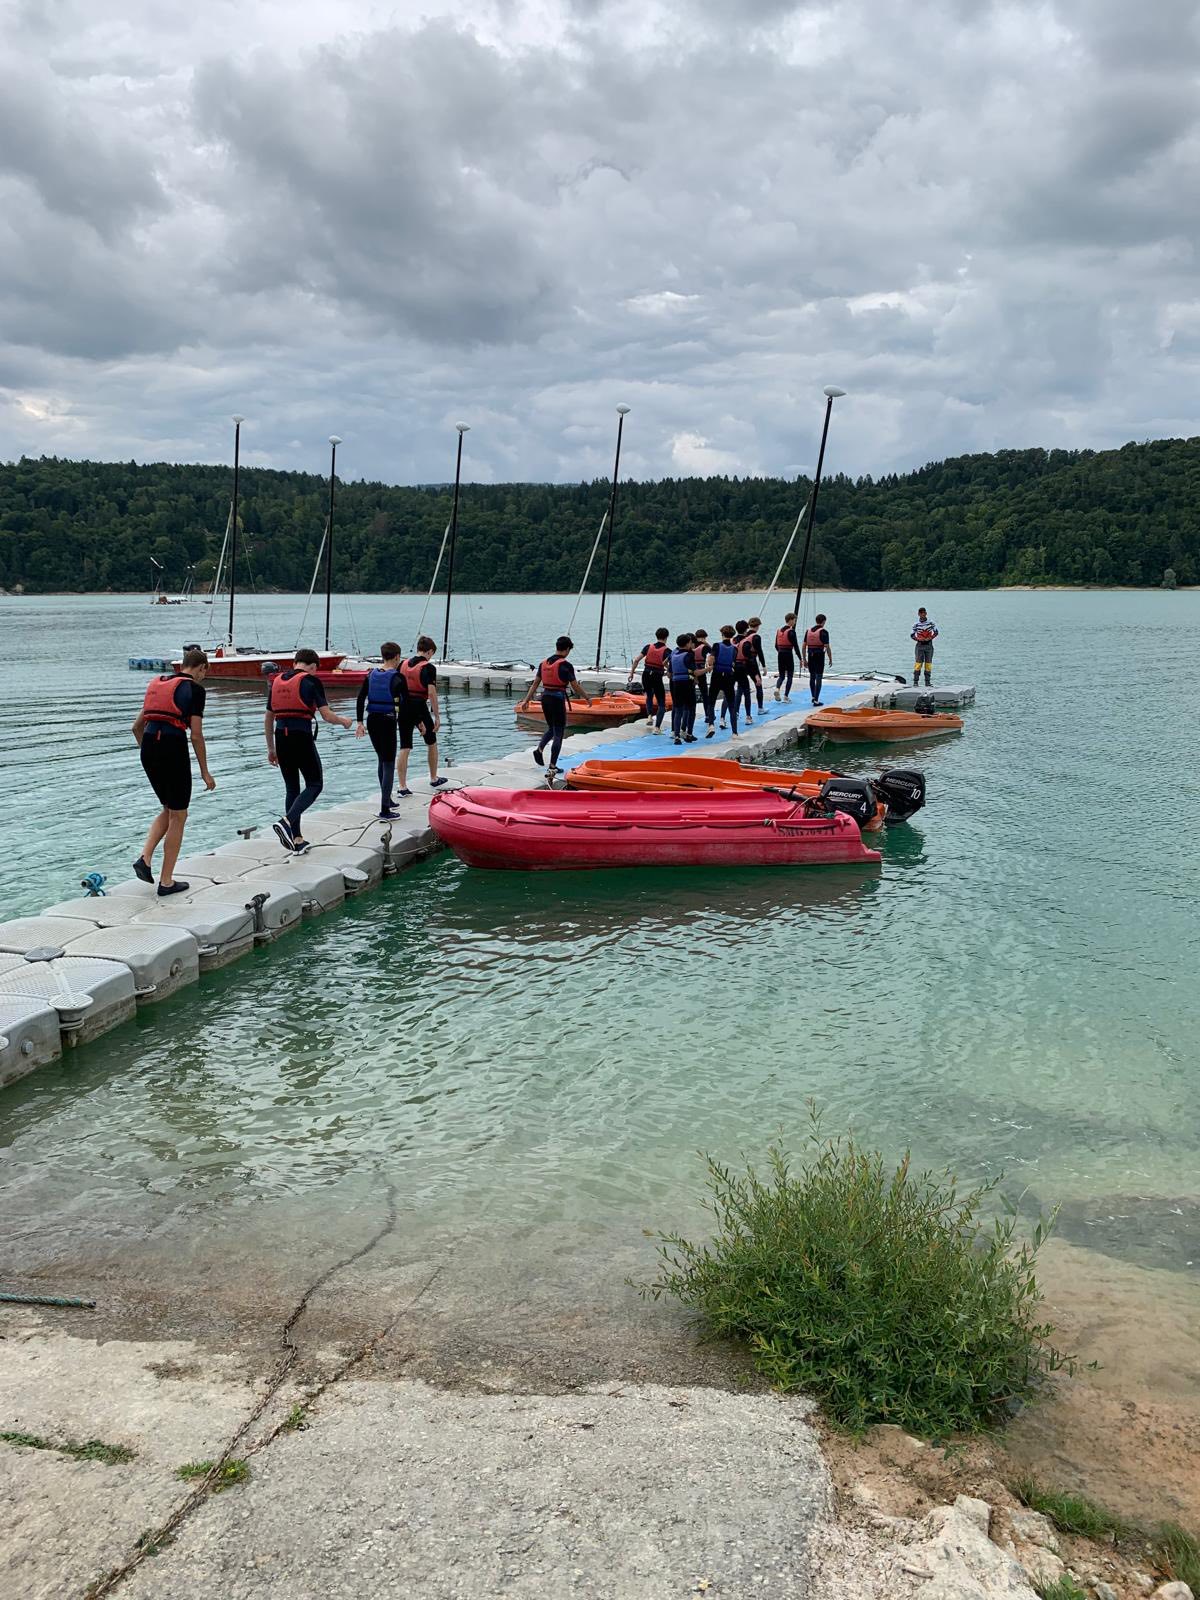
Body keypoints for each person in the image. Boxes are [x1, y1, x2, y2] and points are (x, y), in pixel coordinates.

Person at [131, 647, 215, 895]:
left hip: (148, 748)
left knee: (169, 809)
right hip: (171, 747)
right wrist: (205, 772)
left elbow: (136, 727)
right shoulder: (196, 690)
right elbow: (196, 736)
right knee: (180, 815)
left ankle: (145, 858)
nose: (203, 677)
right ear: (201, 668)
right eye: (204, 673)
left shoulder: (158, 683)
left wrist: (150, 755)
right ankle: (166, 882)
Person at [265, 648, 353, 853]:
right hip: (300, 737)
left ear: (296, 662)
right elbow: (326, 715)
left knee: (292, 788)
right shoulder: (311, 681)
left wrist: (271, 748)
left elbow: (268, 717)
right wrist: (344, 721)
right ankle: (287, 822)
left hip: (281, 738)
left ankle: (296, 840)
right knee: (315, 784)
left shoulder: (276, 681)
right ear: (313, 667)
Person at [525, 635, 592, 777]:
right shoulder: (566, 665)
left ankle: (540, 749)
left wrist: (526, 700)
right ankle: (552, 766)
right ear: (567, 649)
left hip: (545, 698)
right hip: (557, 699)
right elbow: (574, 686)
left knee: (551, 728)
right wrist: (587, 698)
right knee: (559, 732)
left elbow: (535, 684)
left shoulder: (543, 663)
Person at [354, 642, 407, 819]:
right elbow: (406, 705)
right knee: (389, 762)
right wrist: (420, 722)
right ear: (397, 657)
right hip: (388, 721)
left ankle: (387, 799)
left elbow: (361, 698)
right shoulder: (398, 678)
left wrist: (360, 722)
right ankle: (385, 810)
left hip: (372, 720)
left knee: (381, 759)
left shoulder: (371, 675)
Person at [397, 635, 447, 794]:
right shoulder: (428, 668)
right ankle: (433, 778)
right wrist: (437, 716)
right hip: (419, 706)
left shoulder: (402, 664)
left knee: (405, 746)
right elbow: (431, 694)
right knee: (431, 742)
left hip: (404, 708)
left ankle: (402, 786)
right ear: (430, 651)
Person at [632, 628, 670, 734]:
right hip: (657, 676)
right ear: (667, 637)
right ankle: (657, 728)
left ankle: (649, 716)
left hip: (646, 675)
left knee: (649, 695)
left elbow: (636, 660)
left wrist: (632, 673)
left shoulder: (648, 647)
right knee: (661, 702)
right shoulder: (667, 651)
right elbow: (670, 665)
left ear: (656, 636)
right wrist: (669, 672)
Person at [710, 625, 740, 738]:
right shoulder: (735, 649)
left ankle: (711, 725)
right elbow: (733, 663)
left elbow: (711, 659)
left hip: (717, 674)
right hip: (729, 676)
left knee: (711, 702)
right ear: (732, 635)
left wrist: (710, 665)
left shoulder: (716, 646)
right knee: (731, 705)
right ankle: (735, 733)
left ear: (722, 634)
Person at [669, 633, 698, 745]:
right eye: (690, 642)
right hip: (687, 683)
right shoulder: (689, 655)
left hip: (676, 684)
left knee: (678, 710)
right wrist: (708, 669)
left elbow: (670, 672)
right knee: (691, 709)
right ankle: (689, 734)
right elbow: (694, 671)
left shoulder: (673, 654)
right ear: (687, 644)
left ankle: (676, 736)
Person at [804, 614, 832, 705]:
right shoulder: (824, 632)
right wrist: (830, 658)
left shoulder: (808, 631)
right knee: (819, 677)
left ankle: (813, 696)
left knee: (812, 676)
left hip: (810, 655)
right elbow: (827, 647)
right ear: (823, 622)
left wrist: (804, 659)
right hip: (819, 656)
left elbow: (804, 646)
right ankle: (816, 700)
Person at [692, 628, 715, 736]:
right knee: (705, 695)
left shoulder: (691, 646)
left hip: (691, 673)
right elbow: (713, 653)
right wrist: (707, 643)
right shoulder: (703, 647)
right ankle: (707, 715)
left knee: (691, 695)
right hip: (701, 672)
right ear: (704, 637)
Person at [732, 620, 755, 726]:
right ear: (746, 630)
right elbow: (750, 660)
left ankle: (735, 713)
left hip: (732, 669)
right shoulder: (746, 643)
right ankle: (748, 716)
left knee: (736, 692)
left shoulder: (732, 641)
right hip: (742, 668)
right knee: (746, 692)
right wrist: (755, 674)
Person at [744, 616, 767, 712]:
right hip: (752, 662)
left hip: (742, 663)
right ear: (758, 626)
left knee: (742, 688)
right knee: (758, 684)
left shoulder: (744, 636)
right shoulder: (756, 637)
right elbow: (759, 651)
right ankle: (760, 708)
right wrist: (764, 665)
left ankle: (736, 711)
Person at [774, 614, 799, 701]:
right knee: (790, 676)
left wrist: (780, 652)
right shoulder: (791, 632)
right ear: (791, 620)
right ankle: (786, 696)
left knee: (781, 676)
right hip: (788, 654)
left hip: (780, 654)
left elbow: (776, 646)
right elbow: (796, 646)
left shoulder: (778, 631)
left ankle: (777, 688)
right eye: (794, 620)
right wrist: (800, 658)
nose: (795, 622)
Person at [911, 608, 938, 686]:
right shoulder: (916, 624)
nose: (923, 614)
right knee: (918, 663)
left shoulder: (931, 623)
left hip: (929, 645)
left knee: (928, 664)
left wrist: (931, 637)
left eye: (924, 613)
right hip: (919, 646)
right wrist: (918, 639)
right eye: (921, 613)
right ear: (918, 614)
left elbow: (936, 632)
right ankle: (915, 682)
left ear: (926, 613)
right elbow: (912, 635)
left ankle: (927, 682)